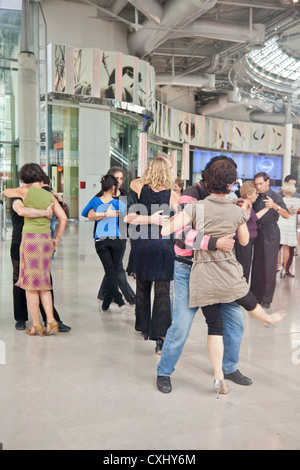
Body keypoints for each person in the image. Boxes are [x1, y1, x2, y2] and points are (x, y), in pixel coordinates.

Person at [160, 159, 285, 397]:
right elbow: (179, 235)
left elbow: (243, 237)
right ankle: (164, 371)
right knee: (182, 327)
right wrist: (214, 242)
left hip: (219, 269)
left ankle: (228, 368)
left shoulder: (230, 206)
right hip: (188, 267)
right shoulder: (191, 197)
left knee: (234, 322)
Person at [3, 163, 68, 336]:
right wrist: (56, 239)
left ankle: (36, 325)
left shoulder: (25, 192)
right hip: (46, 239)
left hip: (30, 240)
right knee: (45, 284)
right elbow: (64, 218)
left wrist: (23, 186)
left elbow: (6, 192)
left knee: (30, 286)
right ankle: (51, 321)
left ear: (24, 178)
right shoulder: (49, 196)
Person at [125, 154, 179, 354]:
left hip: (142, 244)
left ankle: (144, 328)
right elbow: (183, 218)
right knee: (163, 290)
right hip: (163, 244)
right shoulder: (172, 194)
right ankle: (161, 336)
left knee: (142, 286)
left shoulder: (138, 187)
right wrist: (163, 224)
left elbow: (129, 217)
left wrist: (148, 218)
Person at [9, 196, 71, 332]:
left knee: (45, 282)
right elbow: (21, 211)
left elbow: (62, 215)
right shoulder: (16, 198)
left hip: (38, 244)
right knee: (19, 281)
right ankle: (21, 318)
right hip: (19, 243)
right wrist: (45, 212)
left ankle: (52, 319)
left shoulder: (42, 197)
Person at [81, 174, 126, 312]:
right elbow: (85, 214)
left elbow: (85, 214)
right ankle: (118, 297)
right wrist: (106, 214)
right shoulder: (116, 203)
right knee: (110, 270)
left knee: (110, 271)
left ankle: (107, 302)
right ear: (113, 187)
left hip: (108, 240)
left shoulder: (99, 201)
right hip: (109, 240)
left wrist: (99, 214)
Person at [250, 172, 289, 309]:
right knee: (257, 265)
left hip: (271, 233)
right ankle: (254, 296)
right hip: (257, 232)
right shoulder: (256, 196)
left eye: (261, 184)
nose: (258, 186)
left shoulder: (275, 196)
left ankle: (266, 299)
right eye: (256, 184)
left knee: (269, 266)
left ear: (268, 182)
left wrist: (275, 206)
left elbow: (287, 215)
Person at [97, 167, 135, 305]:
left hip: (121, 235)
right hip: (105, 236)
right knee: (117, 267)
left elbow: (132, 214)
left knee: (112, 266)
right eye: (115, 178)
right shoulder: (102, 195)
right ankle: (130, 296)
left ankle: (103, 292)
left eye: (121, 178)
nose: (118, 181)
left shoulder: (126, 195)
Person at [234, 180, 269, 283]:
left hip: (247, 240)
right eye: (255, 193)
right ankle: (243, 291)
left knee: (245, 264)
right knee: (244, 265)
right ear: (248, 195)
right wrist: (267, 208)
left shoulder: (245, 203)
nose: (257, 195)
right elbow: (254, 218)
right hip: (243, 240)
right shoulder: (243, 205)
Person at [277, 183, 300, 278]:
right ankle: (285, 269)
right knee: (287, 249)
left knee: (278, 248)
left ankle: (278, 268)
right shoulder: (298, 201)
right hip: (291, 226)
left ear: (283, 191)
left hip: (280, 224)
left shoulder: (280, 200)